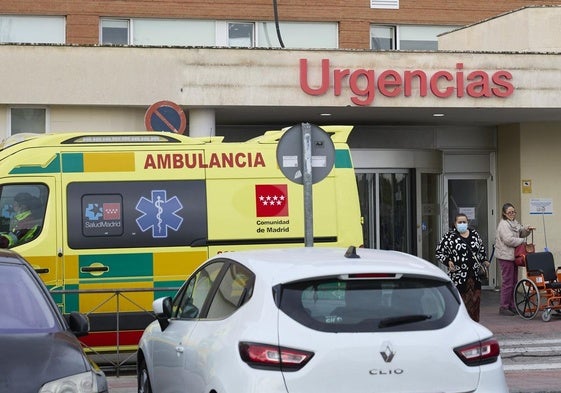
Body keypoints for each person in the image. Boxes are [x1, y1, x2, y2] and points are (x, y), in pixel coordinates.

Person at [436, 213, 490, 322]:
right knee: (460, 304)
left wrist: (484, 260)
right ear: (455, 224)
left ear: (467, 223)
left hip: (474, 276)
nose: (462, 224)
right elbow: (439, 252)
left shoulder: (474, 234)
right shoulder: (449, 237)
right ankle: (460, 325)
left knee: (474, 303)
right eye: (459, 222)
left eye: (464, 222)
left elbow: (481, 250)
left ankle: (474, 325)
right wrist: (448, 261)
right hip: (458, 277)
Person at [495, 203, 535, 316]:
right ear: (504, 213)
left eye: (513, 212)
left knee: (514, 282)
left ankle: (511, 306)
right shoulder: (503, 224)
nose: (512, 214)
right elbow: (508, 240)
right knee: (508, 282)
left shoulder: (514, 222)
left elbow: (521, 232)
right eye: (509, 212)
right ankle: (504, 307)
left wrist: (527, 229)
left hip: (513, 256)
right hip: (505, 257)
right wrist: (522, 241)